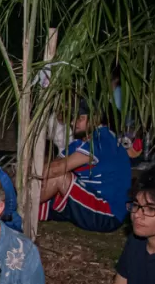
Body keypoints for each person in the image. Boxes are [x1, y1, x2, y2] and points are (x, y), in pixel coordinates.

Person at [39, 99, 131, 232]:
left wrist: (25, 174)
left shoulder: (103, 139)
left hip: (108, 213)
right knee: (47, 192)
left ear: (95, 118)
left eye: (80, 118)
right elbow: (53, 165)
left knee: (59, 177)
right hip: (88, 202)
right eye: (72, 118)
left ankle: (20, 207)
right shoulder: (78, 143)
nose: (72, 122)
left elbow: (56, 170)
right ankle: (13, 208)